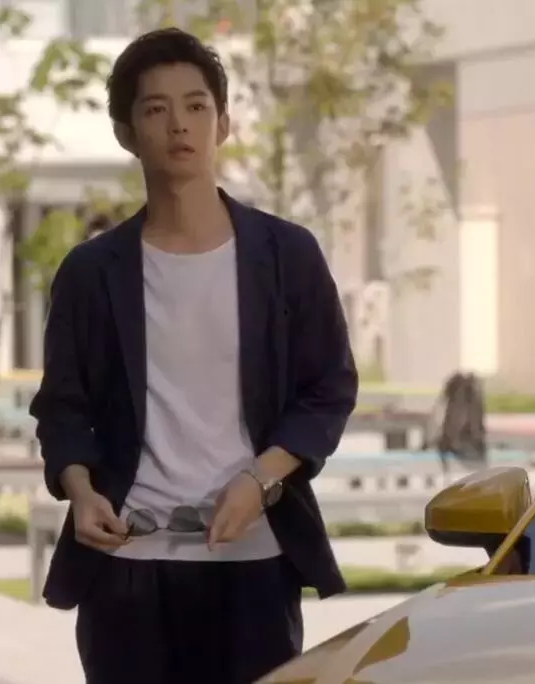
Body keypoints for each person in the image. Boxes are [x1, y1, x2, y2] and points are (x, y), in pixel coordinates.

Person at [28, 28, 358, 684]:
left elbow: (328, 387)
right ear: (126, 134)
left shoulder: (286, 256)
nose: (179, 124)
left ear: (223, 123)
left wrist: (260, 479)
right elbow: (62, 406)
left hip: (251, 565)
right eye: (156, 109)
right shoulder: (92, 272)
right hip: (126, 570)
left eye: (196, 106)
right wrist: (80, 490)